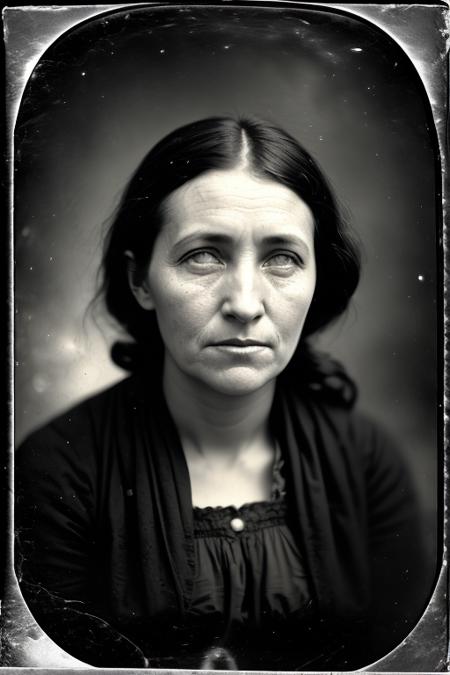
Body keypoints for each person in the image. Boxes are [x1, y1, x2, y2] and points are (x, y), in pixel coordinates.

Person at [15, 117, 428, 670]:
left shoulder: (368, 463)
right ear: (141, 280)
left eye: (282, 257)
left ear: (317, 279)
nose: (245, 302)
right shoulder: (53, 473)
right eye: (204, 255)